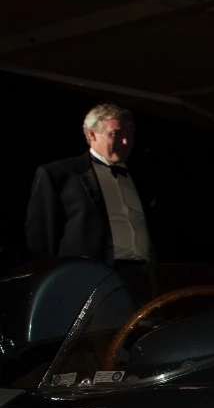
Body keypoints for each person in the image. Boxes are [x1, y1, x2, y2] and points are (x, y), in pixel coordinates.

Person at [26, 103, 157, 298]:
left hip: (141, 275)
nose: (125, 141)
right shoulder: (60, 174)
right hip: (89, 275)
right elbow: (41, 236)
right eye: (116, 133)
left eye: (130, 135)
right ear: (92, 134)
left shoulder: (139, 176)